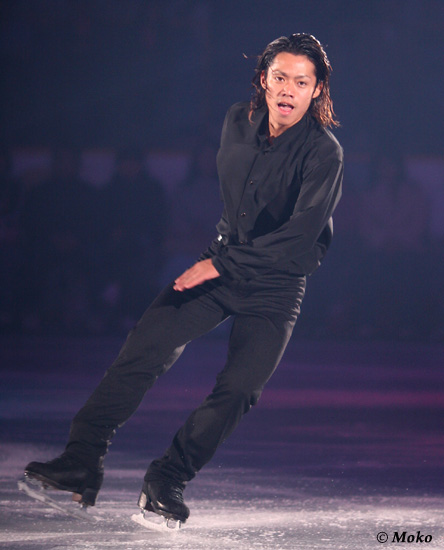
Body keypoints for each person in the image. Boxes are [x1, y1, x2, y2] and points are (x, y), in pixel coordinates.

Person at [24, 33, 343, 526]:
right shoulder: (237, 120)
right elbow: (238, 203)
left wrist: (224, 264)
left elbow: (301, 239)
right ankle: (81, 460)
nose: (288, 89)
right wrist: (222, 256)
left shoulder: (324, 153)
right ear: (263, 78)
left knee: (240, 388)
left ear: (317, 89)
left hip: (276, 284)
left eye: (301, 82)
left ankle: (167, 479)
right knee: (144, 347)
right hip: (221, 261)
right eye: (280, 77)